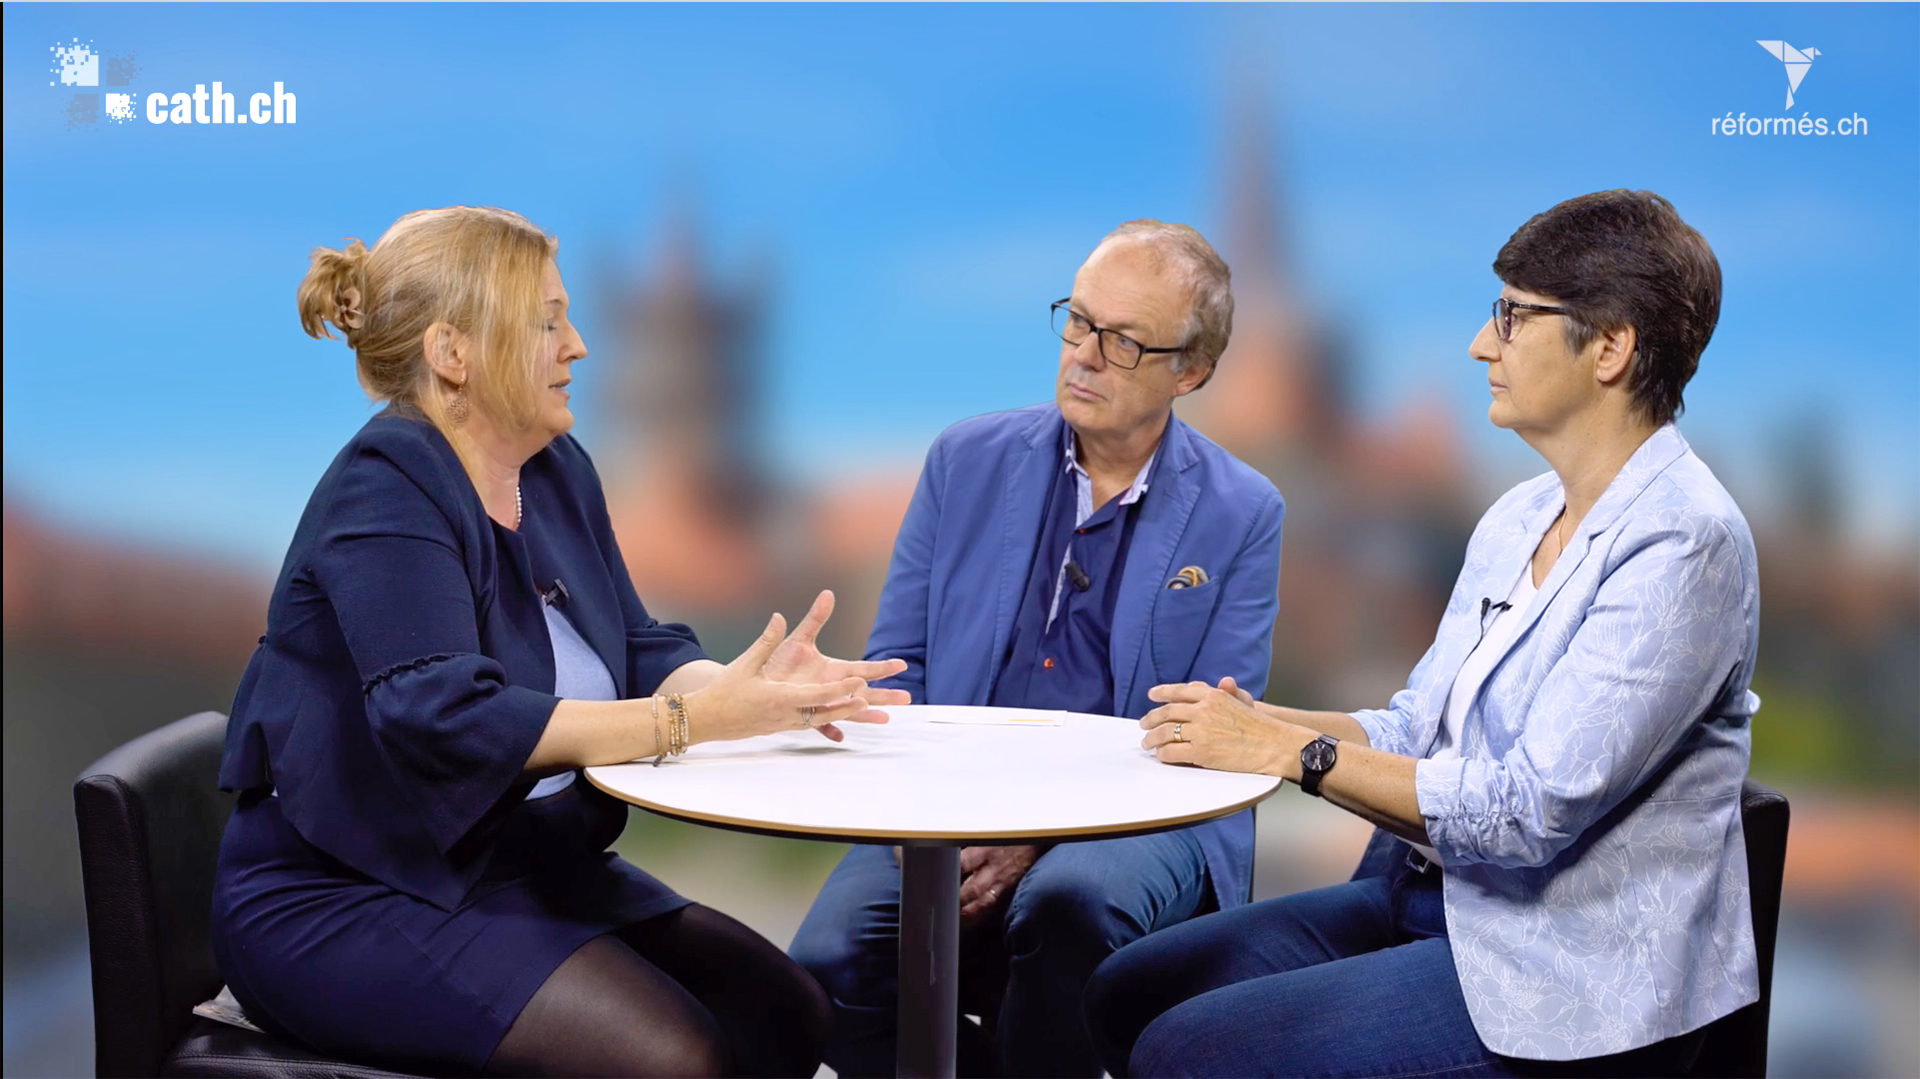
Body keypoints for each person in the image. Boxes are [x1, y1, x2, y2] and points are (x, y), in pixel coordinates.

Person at [210, 205, 911, 1078]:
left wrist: (750, 686)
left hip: (512, 863)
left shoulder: (553, 467)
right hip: (351, 891)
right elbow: (441, 716)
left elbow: (637, 643)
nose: (578, 345)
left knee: (788, 1013)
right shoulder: (385, 485)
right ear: (452, 353)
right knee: (677, 1059)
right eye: (547, 322)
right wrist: (691, 722)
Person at [1084, 190, 1761, 1077]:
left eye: (1513, 317)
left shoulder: (1686, 542)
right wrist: (1248, 725)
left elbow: (1528, 813)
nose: (1484, 344)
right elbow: (1418, 726)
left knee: (1185, 1052)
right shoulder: (1520, 515)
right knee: (1122, 991)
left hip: (1564, 976)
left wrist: (1293, 757)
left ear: (1610, 347)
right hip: (1435, 899)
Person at [789, 220, 1285, 1076]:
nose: (1085, 355)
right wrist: (950, 817)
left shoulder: (1244, 511)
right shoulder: (964, 460)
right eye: (1078, 321)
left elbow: (1208, 733)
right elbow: (900, 669)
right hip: (948, 797)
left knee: (1066, 904)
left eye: (1124, 341)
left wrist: (1033, 835)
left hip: (1147, 813)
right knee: (822, 966)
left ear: (1190, 370)